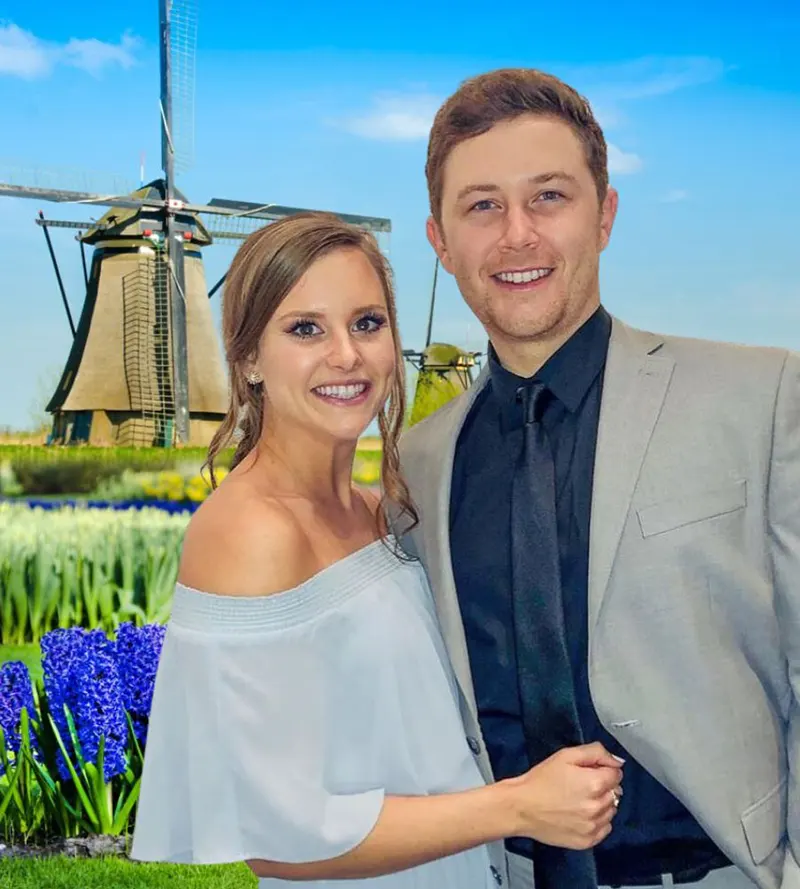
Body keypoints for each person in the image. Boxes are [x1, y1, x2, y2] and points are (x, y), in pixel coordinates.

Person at [129, 211, 624, 888]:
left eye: (367, 322)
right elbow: (274, 836)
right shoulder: (250, 532)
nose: (346, 355)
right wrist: (519, 805)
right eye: (306, 329)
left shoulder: (375, 511)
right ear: (247, 359)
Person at [397, 68, 799, 889]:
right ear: (440, 240)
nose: (517, 235)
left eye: (549, 197)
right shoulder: (420, 462)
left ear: (605, 214)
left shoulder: (759, 397)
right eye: (482, 206)